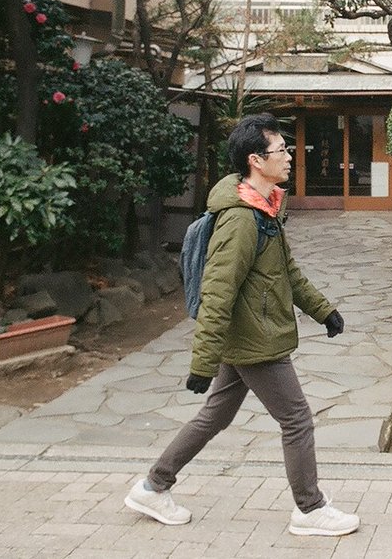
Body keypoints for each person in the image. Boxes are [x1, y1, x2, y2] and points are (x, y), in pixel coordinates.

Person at [124, 114, 359, 537]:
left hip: (251, 332)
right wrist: (202, 362)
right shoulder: (241, 220)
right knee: (297, 420)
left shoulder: (264, 209)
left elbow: (287, 273)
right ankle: (310, 509)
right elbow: (218, 291)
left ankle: (153, 486)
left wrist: (324, 311)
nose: (289, 157)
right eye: (280, 151)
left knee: (215, 415)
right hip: (255, 339)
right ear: (256, 160)